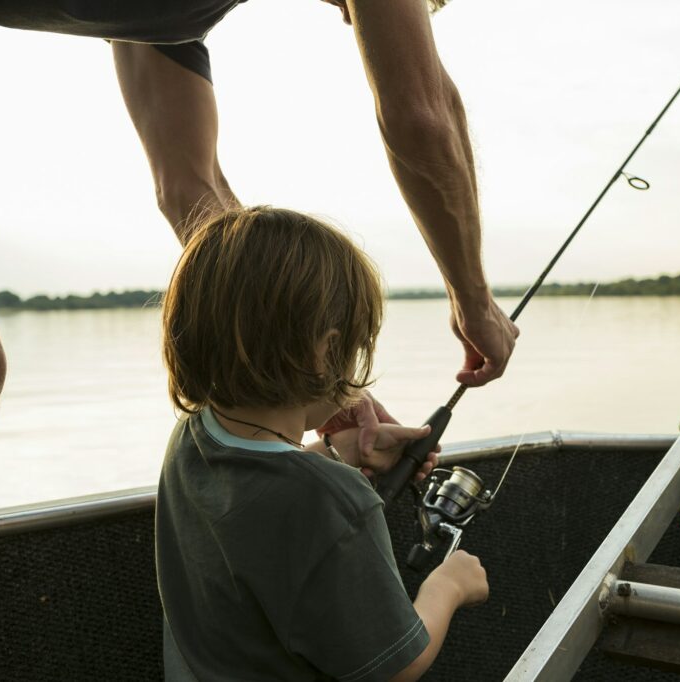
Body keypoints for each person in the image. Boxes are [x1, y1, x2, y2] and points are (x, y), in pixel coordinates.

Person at [0, 0, 516, 678]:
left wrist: (320, 419)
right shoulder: (332, 503)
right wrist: (474, 299)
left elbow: (191, 192)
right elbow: (423, 114)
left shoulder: (193, 443)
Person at [157, 206, 489, 680]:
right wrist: (449, 586)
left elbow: (253, 499)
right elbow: (396, 666)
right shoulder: (332, 499)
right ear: (329, 351)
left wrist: (340, 454)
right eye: (352, 349)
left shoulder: (193, 436)